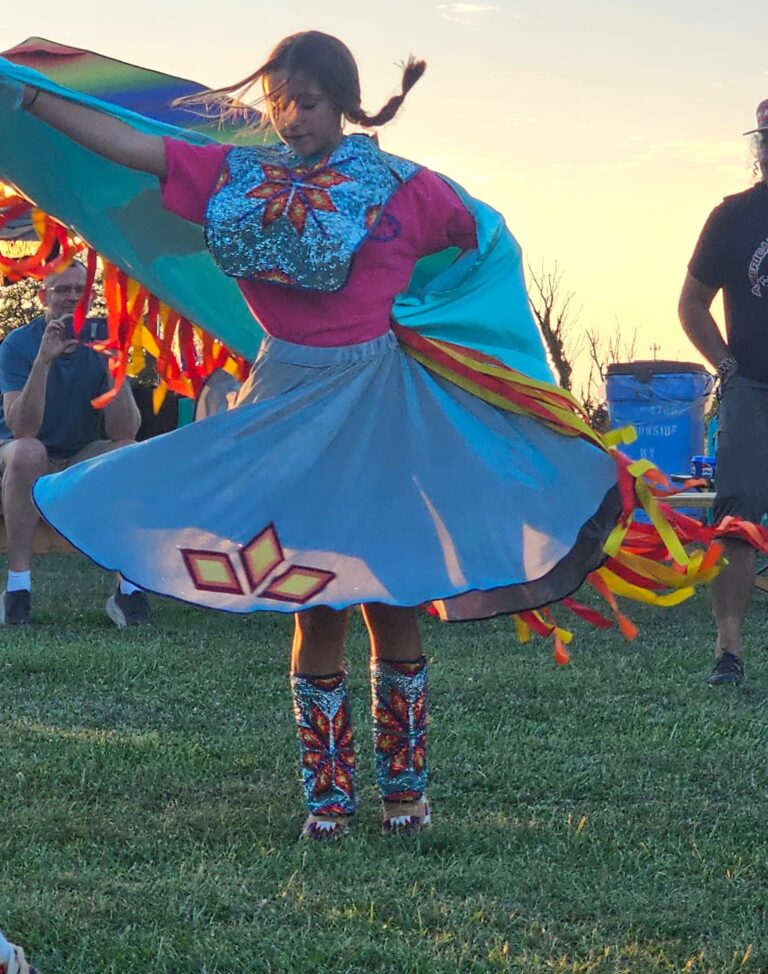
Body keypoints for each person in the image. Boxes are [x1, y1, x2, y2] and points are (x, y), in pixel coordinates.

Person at [1, 32, 682, 840]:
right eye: (279, 103)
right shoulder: (237, 176)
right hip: (284, 405)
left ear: (346, 102)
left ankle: (404, 796)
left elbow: (484, 245)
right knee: (312, 603)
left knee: (392, 602)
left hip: (382, 410)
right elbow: (135, 143)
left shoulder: (405, 189)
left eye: (308, 103)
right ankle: (326, 802)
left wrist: (439, 329)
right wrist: (30, 95)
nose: (290, 119)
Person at [0, 260, 150, 627]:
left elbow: (125, 429)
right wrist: (43, 362)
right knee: (28, 451)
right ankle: (17, 589)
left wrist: (116, 370)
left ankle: (128, 589)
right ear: (42, 296)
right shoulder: (19, 344)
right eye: (61, 290)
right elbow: (22, 428)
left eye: (79, 291)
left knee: (129, 453)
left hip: (79, 455)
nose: (71, 299)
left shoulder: (99, 343)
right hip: (23, 455)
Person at [678, 99, 768, 687]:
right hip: (752, 389)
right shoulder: (733, 217)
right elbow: (691, 304)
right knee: (737, 518)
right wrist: (727, 366)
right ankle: (728, 653)